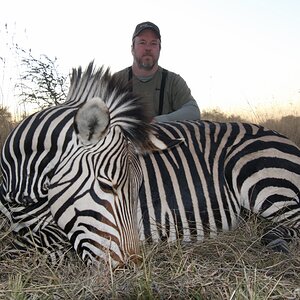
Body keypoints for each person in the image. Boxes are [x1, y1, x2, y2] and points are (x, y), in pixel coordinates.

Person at [115, 21, 200, 122]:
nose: (148, 48)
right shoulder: (116, 80)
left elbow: (193, 111)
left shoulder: (173, 81)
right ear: (132, 48)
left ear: (159, 49)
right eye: (142, 42)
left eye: (153, 43)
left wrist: (156, 122)